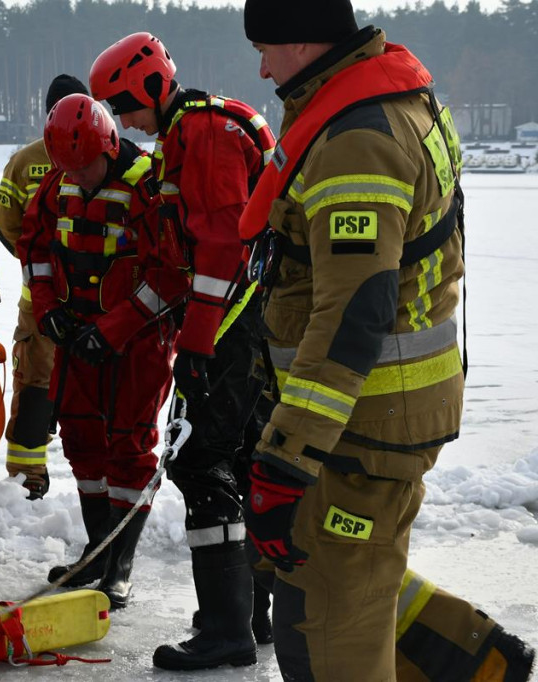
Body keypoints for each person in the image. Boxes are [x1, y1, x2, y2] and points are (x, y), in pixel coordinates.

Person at [240, 1, 536, 679]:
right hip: (379, 411)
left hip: (364, 421)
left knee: (324, 616)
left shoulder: (356, 137)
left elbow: (354, 314)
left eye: (268, 48)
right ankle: (478, 664)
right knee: (358, 568)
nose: (261, 68)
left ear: (306, 41)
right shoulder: (386, 97)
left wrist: (286, 457)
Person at [90, 32, 276, 668]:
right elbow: (175, 267)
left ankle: (227, 628)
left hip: (236, 329)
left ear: (148, 87)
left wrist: (196, 344)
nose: (124, 123)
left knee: (203, 463)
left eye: (123, 107)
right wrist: (112, 330)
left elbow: (223, 247)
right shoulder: (184, 140)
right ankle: (252, 614)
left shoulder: (204, 135)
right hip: (238, 327)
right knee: (249, 462)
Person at [18, 94, 189, 609]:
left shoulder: (148, 187)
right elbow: (36, 248)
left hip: (138, 343)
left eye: (86, 166)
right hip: (76, 338)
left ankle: (120, 566)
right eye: (68, 168)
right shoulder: (58, 183)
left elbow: (169, 275)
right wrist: (47, 309)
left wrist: (115, 329)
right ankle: (95, 553)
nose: (79, 177)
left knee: (129, 448)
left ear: (110, 145)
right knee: (82, 442)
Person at [0, 74, 88, 500]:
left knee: (90, 390)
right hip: (39, 308)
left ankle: (95, 475)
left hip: (93, 304)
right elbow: (3, 220)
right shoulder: (26, 161)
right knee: (35, 387)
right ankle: (28, 477)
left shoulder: (106, 154)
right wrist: (39, 268)